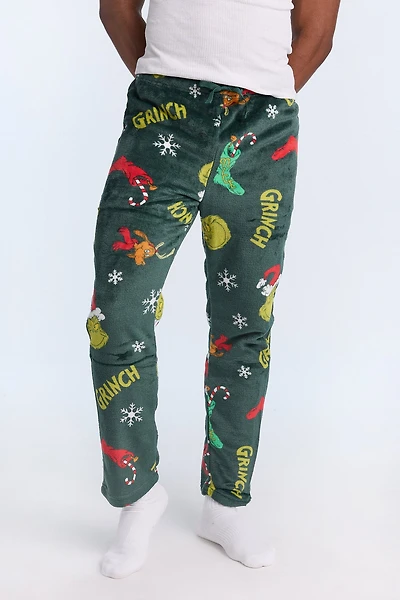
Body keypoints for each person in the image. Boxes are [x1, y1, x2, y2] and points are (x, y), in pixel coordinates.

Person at [87, 0, 341, 579]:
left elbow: (318, 32)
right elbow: (115, 8)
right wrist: (172, 84)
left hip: (262, 127)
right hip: (162, 115)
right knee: (117, 313)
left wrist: (261, 89)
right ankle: (136, 495)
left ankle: (227, 502)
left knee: (245, 322)